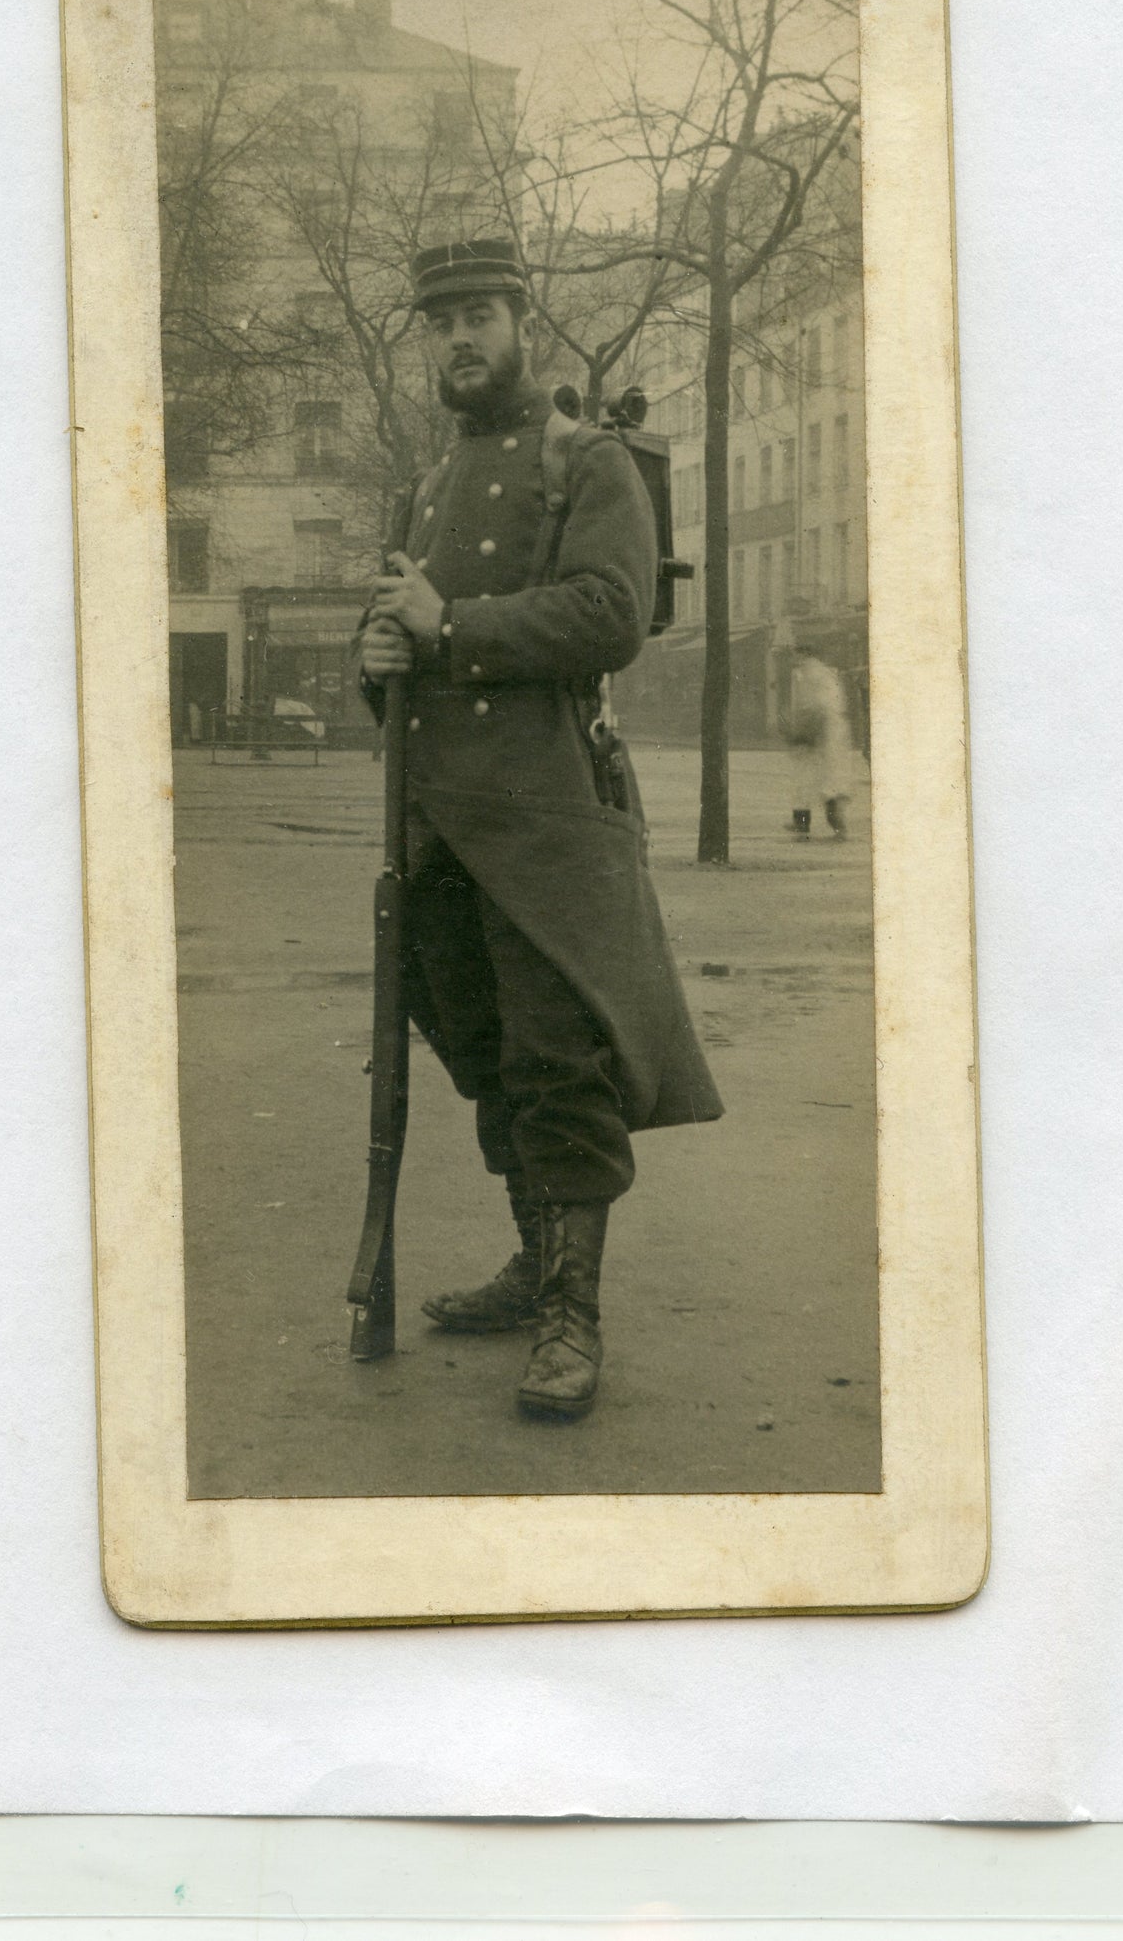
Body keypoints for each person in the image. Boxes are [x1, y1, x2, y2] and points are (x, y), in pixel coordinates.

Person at [359, 238, 722, 1420]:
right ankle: (532, 1265)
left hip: (543, 819)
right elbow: (411, 647)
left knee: (557, 1064)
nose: (458, 338)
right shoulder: (423, 481)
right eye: (439, 321)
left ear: (522, 321)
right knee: (484, 1056)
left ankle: (574, 1313)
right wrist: (379, 660)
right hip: (440, 827)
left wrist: (446, 622)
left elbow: (612, 613)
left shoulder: (586, 458)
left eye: (478, 315)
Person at [787, 647, 856, 840]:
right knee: (826, 780)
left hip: (821, 732)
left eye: (795, 655)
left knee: (812, 781)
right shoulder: (825, 673)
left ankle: (812, 826)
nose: (793, 660)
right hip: (830, 732)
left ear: (804, 655)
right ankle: (818, 826)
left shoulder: (808, 673)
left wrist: (804, 733)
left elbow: (817, 705)